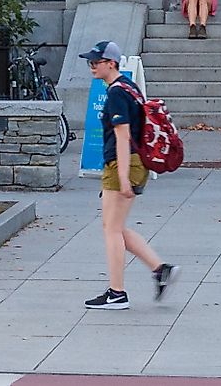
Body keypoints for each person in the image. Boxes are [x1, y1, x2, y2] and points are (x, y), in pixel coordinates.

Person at [82, 41, 173, 309]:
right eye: (90, 62)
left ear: (111, 63)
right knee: (117, 227)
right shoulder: (130, 88)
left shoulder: (117, 94)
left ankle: (117, 293)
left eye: (95, 63)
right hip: (132, 163)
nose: (91, 67)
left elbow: (122, 136)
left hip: (123, 164)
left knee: (110, 229)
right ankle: (160, 269)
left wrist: (122, 178)